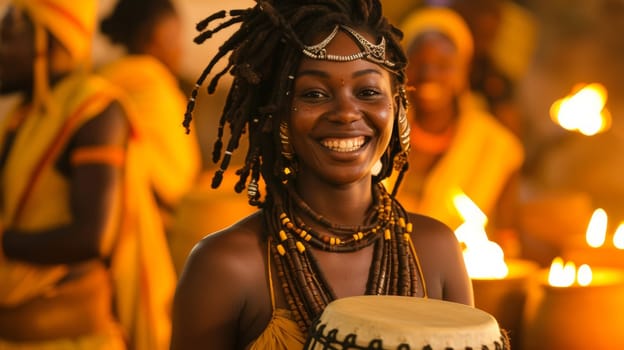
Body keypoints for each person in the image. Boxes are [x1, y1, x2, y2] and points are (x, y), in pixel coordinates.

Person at [170, 1, 473, 349]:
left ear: (398, 106)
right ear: (277, 114)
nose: (346, 113)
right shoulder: (224, 267)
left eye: (368, 92)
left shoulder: (435, 252)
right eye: (314, 94)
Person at [0, 0, 175, 349]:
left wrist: (4, 242)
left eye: (8, 34)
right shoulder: (23, 115)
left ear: (46, 38)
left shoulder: (94, 109)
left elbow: (92, 236)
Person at [392, 7, 524, 254]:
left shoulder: (495, 147)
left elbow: (507, 242)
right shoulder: (378, 133)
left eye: (443, 65)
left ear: (462, 70)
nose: (429, 74)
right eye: (418, 63)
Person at [98, 0, 202, 236]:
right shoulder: (153, 85)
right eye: (175, 38)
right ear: (154, 38)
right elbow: (168, 183)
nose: (180, 49)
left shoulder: (102, 82)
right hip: (149, 226)